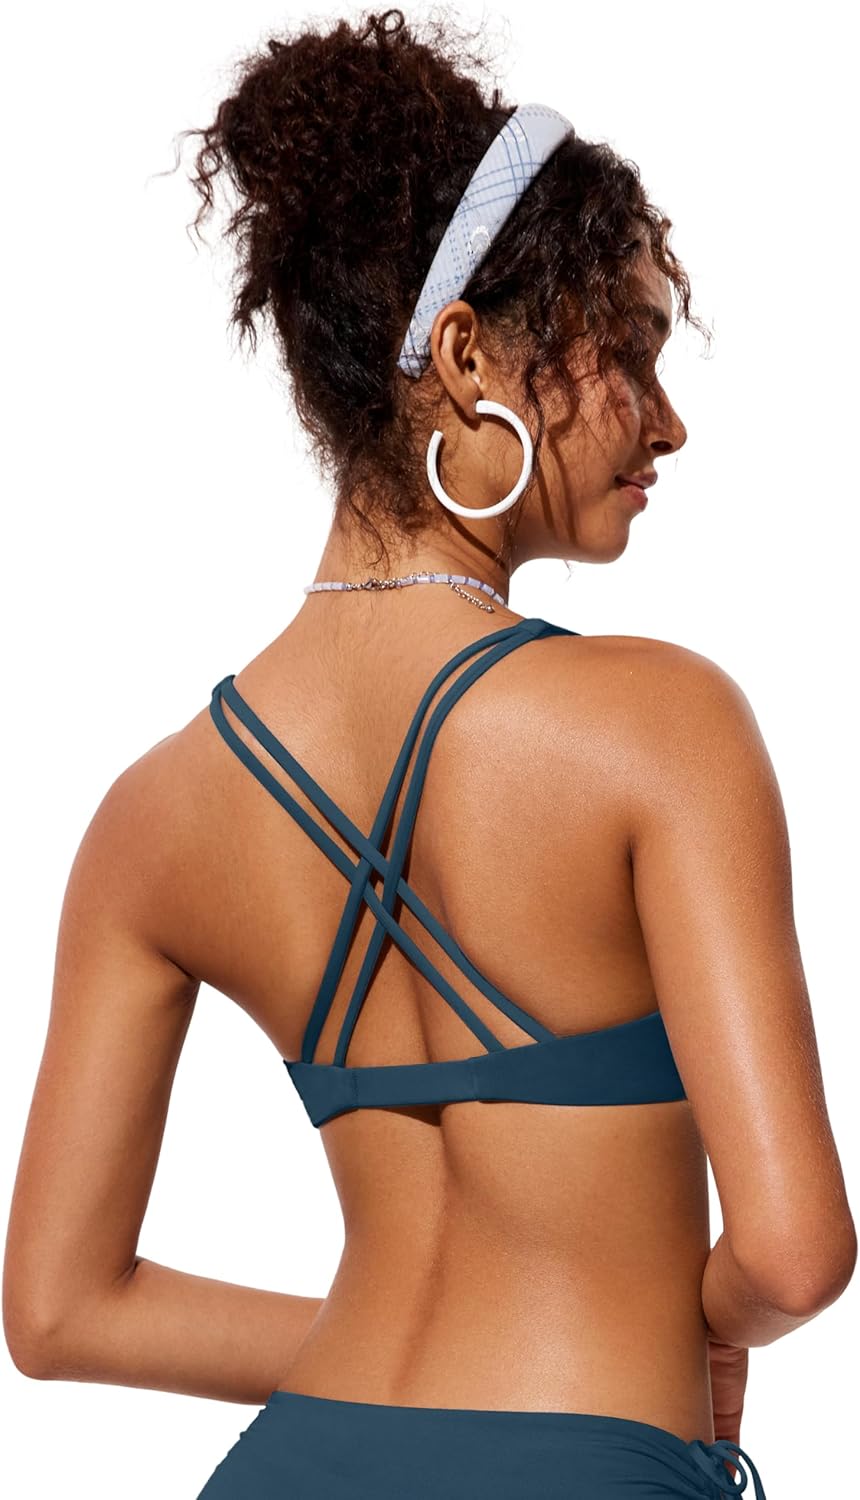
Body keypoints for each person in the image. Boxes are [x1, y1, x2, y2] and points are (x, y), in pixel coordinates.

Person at [3, 8, 855, 1498]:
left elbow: (59, 1312)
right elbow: (794, 1254)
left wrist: (415, 1366)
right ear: (466, 358)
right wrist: (694, 1329)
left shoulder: (154, 812)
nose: (668, 425)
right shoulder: (662, 725)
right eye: (631, 352)